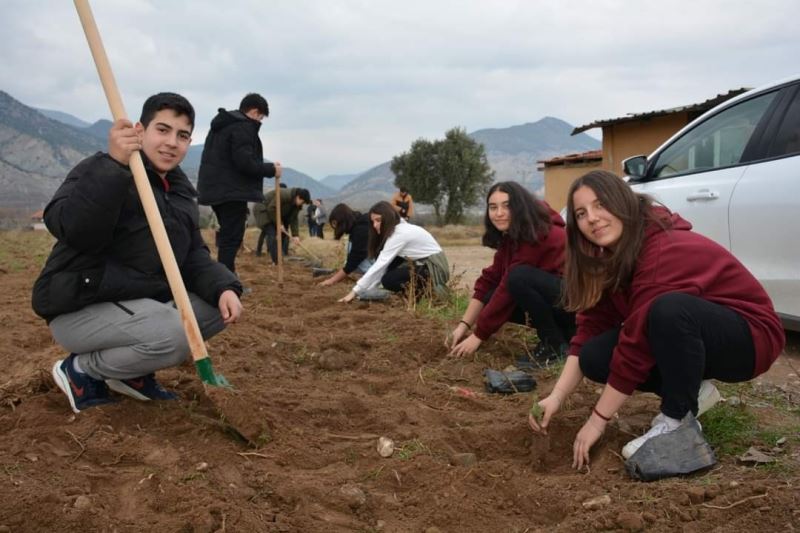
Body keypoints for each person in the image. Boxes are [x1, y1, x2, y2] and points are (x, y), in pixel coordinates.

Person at [528, 170, 785, 471]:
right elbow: (590, 328)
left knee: (667, 310)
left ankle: (677, 420)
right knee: (594, 355)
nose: (592, 218)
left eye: (600, 205)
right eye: (581, 213)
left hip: (751, 337)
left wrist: (597, 421)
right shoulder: (609, 257)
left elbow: (637, 344)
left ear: (623, 202)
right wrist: (556, 397)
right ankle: (690, 390)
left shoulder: (662, 247)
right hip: (696, 336)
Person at [32, 93, 244, 413]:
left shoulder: (180, 189)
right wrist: (114, 166)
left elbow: (191, 255)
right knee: (174, 335)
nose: (172, 142)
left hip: (134, 300)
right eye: (163, 130)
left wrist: (224, 286)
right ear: (140, 131)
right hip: (80, 303)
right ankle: (80, 371)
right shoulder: (102, 167)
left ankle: (130, 374)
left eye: (182, 135)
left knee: (216, 306)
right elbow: (71, 227)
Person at [447, 182, 574, 361]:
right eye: (493, 207)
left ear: (520, 207)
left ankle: (554, 345)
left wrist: (478, 336)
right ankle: (562, 337)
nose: (499, 213)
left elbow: (509, 286)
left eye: (507, 206)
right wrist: (463, 326)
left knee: (518, 278)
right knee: (492, 295)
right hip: (558, 303)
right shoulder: (514, 235)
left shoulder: (538, 232)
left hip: (577, 307)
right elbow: (489, 279)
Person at [197, 93, 282, 274]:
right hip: (232, 191)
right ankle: (226, 281)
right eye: (260, 117)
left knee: (228, 237)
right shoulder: (243, 127)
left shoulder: (221, 126)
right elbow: (245, 163)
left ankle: (227, 276)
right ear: (254, 112)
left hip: (215, 190)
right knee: (231, 239)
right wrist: (271, 169)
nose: (259, 122)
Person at [339, 201, 448, 302]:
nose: (375, 225)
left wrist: (354, 292)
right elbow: (384, 267)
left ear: (388, 218)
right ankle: (414, 294)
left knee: (389, 280)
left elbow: (380, 266)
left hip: (435, 268)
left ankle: (425, 295)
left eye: (378, 220)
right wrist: (368, 290)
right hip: (424, 265)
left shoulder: (399, 234)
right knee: (390, 267)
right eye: (373, 221)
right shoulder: (398, 228)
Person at [318, 203, 374, 287]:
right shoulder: (356, 226)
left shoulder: (361, 230)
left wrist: (332, 280)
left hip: (380, 261)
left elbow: (354, 260)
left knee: (353, 256)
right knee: (350, 245)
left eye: (335, 224)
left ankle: (371, 275)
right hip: (373, 256)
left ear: (342, 220)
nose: (335, 228)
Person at [252, 187, 311, 264]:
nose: (302, 204)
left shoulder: (297, 205)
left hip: (275, 214)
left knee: (283, 234)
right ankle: (276, 261)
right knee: (271, 233)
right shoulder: (284, 195)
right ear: (298, 197)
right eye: (302, 202)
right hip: (263, 209)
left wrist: (295, 235)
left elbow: (294, 219)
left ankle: (279, 256)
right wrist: (280, 224)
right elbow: (271, 208)